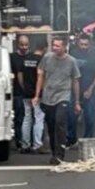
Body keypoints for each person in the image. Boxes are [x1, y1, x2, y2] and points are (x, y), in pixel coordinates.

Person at [31, 37, 81, 165]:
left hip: (63, 96)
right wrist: (37, 95)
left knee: (60, 122)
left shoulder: (71, 61)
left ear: (65, 47)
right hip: (48, 97)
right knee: (51, 126)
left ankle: (60, 154)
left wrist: (76, 102)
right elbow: (40, 76)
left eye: (58, 46)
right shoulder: (47, 58)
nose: (55, 48)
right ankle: (54, 152)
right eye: (54, 45)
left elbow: (75, 81)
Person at [67, 36, 95, 145]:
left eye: (86, 44)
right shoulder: (73, 53)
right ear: (78, 43)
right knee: (71, 115)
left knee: (89, 116)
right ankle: (71, 139)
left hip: (90, 89)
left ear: (90, 44)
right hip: (74, 89)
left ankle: (87, 140)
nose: (83, 47)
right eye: (81, 44)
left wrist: (91, 88)